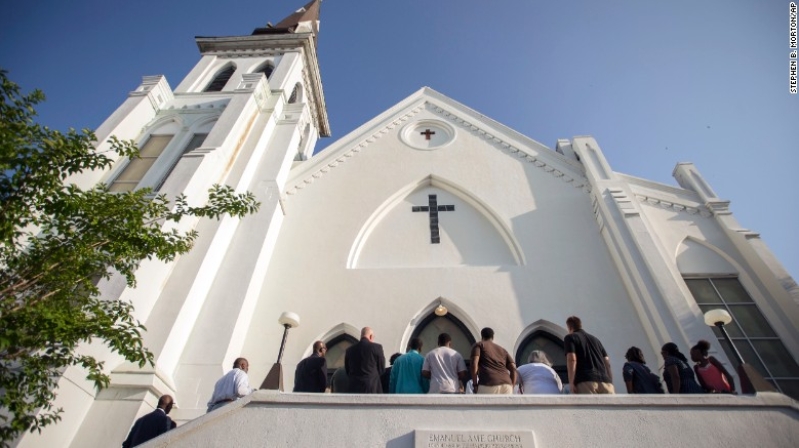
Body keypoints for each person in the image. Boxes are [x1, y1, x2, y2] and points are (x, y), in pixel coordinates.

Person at [564, 316, 614, 394]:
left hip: (585, 381)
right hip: (605, 382)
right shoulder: (596, 340)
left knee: (588, 402)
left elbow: (572, 359)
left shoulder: (570, 337)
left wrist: (571, 382)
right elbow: (607, 363)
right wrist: (610, 381)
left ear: (570, 327)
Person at [470, 327, 516, 394]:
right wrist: (512, 386)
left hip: (488, 383)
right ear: (493, 337)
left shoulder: (479, 345)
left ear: (482, 336)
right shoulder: (502, 350)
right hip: (507, 385)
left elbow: (474, 363)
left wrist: (475, 384)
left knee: (483, 401)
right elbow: (513, 369)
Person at [345, 327, 386, 393]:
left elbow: (347, 370)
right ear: (371, 336)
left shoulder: (350, 350)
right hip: (372, 387)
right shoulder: (377, 348)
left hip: (354, 387)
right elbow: (381, 369)